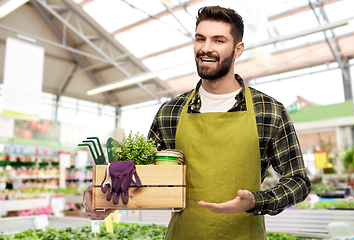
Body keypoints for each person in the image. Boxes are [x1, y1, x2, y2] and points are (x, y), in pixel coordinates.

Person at [83, 5, 311, 239]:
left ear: (238, 49)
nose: (206, 48)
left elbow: (299, 182)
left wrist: (255, 201)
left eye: (218, 40)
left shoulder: (269, 111)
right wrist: (104, 194)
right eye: (200, 39)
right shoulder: (170, 112)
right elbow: (143, 176)